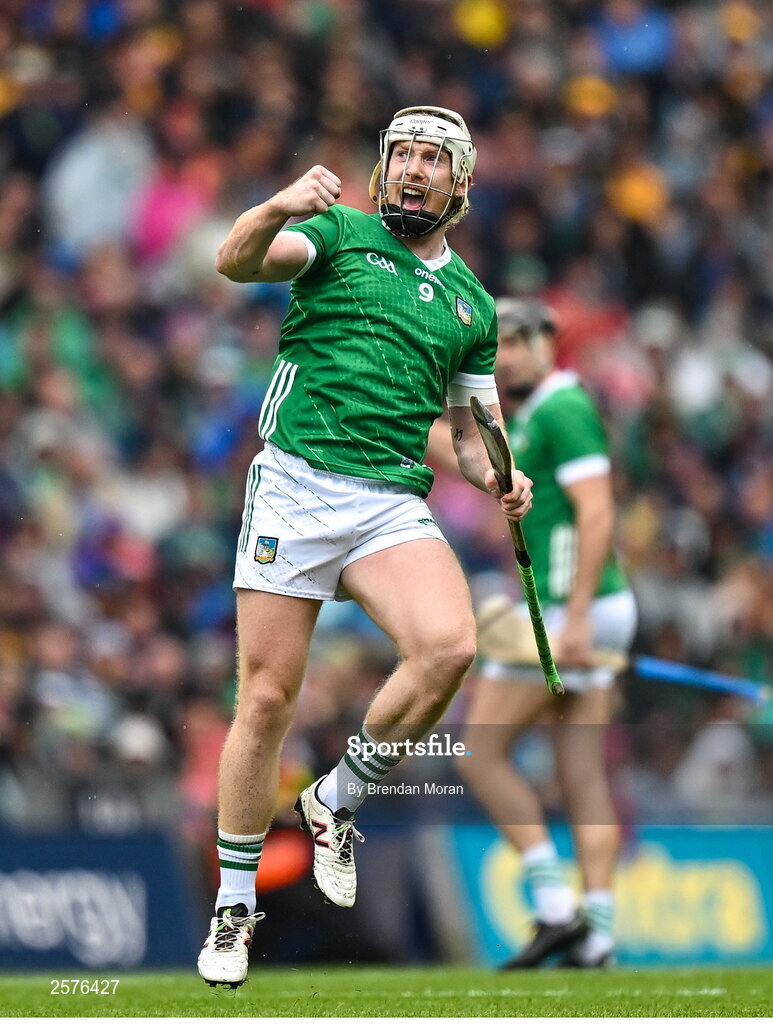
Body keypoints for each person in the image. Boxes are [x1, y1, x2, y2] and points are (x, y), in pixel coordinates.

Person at [196, 107, 533, 987]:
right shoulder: (336, 233)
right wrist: (278, 204)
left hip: (388, 501)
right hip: (299, 485)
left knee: (449, 646)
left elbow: (466, 432)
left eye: (431, 158)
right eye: (401, 155)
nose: (412, 170)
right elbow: (232, 261)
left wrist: (501, 474)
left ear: (459, 183)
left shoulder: (472, 305)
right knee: (266, 698)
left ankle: (335, 799)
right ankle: (235, 907)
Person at [451, 299, 637, 968]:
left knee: (479, 752)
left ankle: (554, 905)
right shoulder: (528, 417)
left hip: (570, 610)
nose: (496, 359)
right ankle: (598, 932)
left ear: (541, 342)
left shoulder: (561, 408)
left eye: (506, 344)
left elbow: (597, 514)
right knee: (580, 772)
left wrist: (580, 615)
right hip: (582, 608)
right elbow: (454, 453)